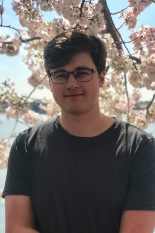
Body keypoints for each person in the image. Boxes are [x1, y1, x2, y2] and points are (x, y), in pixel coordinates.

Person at [2, 31, 155, 233]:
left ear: (101, 78)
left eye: (82, 73)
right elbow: (17, 227)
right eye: (60, 74)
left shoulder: (139, 147)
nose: (71, 83)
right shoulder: (26, 145)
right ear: (50, 82)